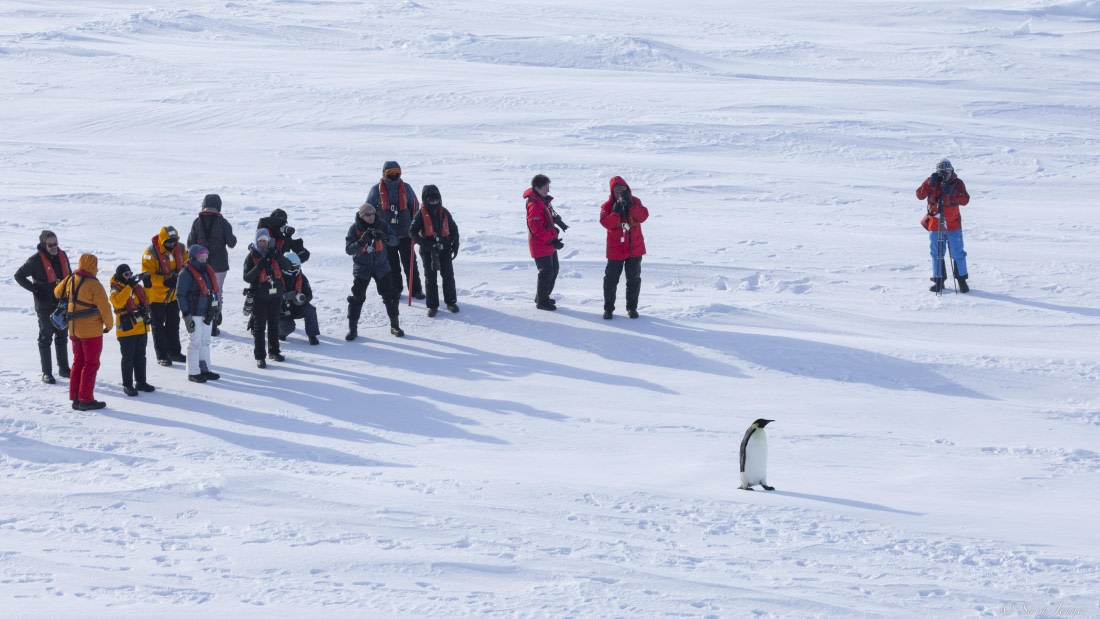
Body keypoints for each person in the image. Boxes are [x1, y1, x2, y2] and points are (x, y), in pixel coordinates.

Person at [54, 253, 113, 411]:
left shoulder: (71, 279)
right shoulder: (95, 285)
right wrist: (109, 325)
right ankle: (86, 399)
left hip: (73, 329)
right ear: (92, 266)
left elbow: (57, 292)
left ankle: (76, 398)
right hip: (91, 331)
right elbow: (105, 308)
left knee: (78, 362)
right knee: (91, 364)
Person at [14, 230, 72, 383]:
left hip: (62, 303)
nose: (54, 247)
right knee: (46, 337)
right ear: (43, 244)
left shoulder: (62, 256)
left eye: (55, 243)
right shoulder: (34, 260)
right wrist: (34, 289)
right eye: (50, 245)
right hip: (44, 305)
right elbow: (18, 276)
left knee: (62, 336)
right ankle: (47, 373)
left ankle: (64, 369)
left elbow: (70, 276)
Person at [365, 161, 425, 303]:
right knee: (392, 264)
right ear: (384, 174)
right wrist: (371, 231)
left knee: (410, 263)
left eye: (396, 173)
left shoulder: (407, 188)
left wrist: (417, 229)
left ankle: (416, 290)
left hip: (406, 233)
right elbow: (368, 210)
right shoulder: (375, 190)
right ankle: (396, 289)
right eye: (390, 174)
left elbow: (415, 208)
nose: (393, 176)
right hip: (386, 236)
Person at [345, 202, 403, 340]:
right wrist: (361, 242)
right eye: (367, 215)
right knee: (357, 298)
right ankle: (353, 329)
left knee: (390, 296)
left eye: (372, 214)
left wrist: (385, 237)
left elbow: (395, 241)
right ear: (361, 216)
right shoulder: (354, 229)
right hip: (362, 267)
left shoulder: (382, 225)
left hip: (381, 266)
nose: (371, 217)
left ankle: (395, 326)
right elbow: (349, 250)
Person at [917, 158, 971, 293]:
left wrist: (952, 193)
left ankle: (962, 280)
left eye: (947, 171)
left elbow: (965, 200)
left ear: (952, 170)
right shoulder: (932, 182)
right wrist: (929, 183)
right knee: (936, 254)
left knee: (958, 253)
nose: (945, 174)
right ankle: (938, 281)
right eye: (942, 172)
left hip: (953, 225)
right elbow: (920, 195)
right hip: (935, 225)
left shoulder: (958, 183)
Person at [599, 176, 649, 319]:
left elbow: (643, 217)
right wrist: (615, 213)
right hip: (616, 250)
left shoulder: (636, 201)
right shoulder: (607, 206)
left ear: (627, 190)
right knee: (611, 280)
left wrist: (631, 205)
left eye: (623, 190)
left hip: (635, 248)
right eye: (617, 190)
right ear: (612, 191)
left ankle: (632, 308)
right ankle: (608, 309)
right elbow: (606, 223)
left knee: (633, 280)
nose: (620, 193)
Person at [186, 194, 236, 336]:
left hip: (200, 264)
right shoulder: (223, 222)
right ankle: (214, 321)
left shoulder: (197, 222)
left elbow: (190, 244)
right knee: (216, 292)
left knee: (202, 291)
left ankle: (203, 322)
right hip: (219, 265)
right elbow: (232, 243)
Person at [409, 185, 460, 317]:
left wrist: (455, 245)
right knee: (430, 278)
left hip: (445, 248)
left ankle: (451, 302)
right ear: (426, 200)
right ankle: (432, 306)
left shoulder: (444, 212)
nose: (434, 202)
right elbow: (412, 232)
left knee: (448, 276)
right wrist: (426, 244)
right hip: (428, 250)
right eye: (431, 201)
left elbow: (454, 229)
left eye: (436, 200)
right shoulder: (420, 215)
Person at [244, 229, 291, 367]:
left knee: (274, 325)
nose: (263, 243)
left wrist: (278, 256)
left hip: (275, 296)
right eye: (260, 241)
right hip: (260, 297)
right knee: (259, 328)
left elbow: (288, 266)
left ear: (269, 241)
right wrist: (258, 267)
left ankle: (274, 351)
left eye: (265, 240)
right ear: (256, 242)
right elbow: (247, 277)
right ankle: (260, 357)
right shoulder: (251, 257)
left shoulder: (275, 253)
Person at [142, 226, 188, 366]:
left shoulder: (181, 248)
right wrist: (165, 281)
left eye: (174, 241)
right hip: (156, 297)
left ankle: (174, 353)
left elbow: (187, 265)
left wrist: (182, 278)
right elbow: (148, 276)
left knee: (173, 324)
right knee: (158, 325)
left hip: (173, 295)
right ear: (162, 241)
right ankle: (162, 355)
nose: (171, 244)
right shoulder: (150, 253)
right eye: (168, 242)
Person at [108, 264, 156, 396]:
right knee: (128, 358)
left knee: (141, 357)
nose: (129, 276)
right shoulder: (115, 289)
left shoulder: (137, 287)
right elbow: (118, 302)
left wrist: (148, 285)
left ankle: (141, 382)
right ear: (120, 276)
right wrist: (129, 286)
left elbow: (150, 299)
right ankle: (127, 385)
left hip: (141, 328)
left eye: (130, 273)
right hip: (127, 330)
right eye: (126, 274)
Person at [177, 245, 222, 382]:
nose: (204, 259)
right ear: (193, 257)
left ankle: (205, 369)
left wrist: (216, 308)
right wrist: (186, 314)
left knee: (205, 341)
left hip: (207, 312)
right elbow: (180, 295)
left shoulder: (207, 271)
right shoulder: (185, 273)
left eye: (205, 257)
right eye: (201, 257)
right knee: (195, 342)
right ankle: (193, 372)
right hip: (194, 313)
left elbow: (213, 291)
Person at [524, 174, 565, 310]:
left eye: (548, 187)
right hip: (540, 244)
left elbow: (545, 220)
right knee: (546, 272)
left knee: (554, 270)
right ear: (537, 188)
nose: (548, 190)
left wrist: (556, 225)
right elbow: (536, 228)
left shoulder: (542, 200)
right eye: (545, 188)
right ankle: (542, 302)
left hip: (548, 242)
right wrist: (552, 239)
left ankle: (542, 296)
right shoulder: (534, 204)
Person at [277, 251, 320, 345]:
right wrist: (283, 297)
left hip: (295, 307)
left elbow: (309, 294)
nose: (295, 269)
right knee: (288, 327)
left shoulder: (301, 277)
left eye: (296, 267)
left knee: (310, 310)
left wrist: (301, 299)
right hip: (280, 310)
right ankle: (279, 333)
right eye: (292, 267)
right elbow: (269, 297)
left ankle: (312, 335)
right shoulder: (275, 277)